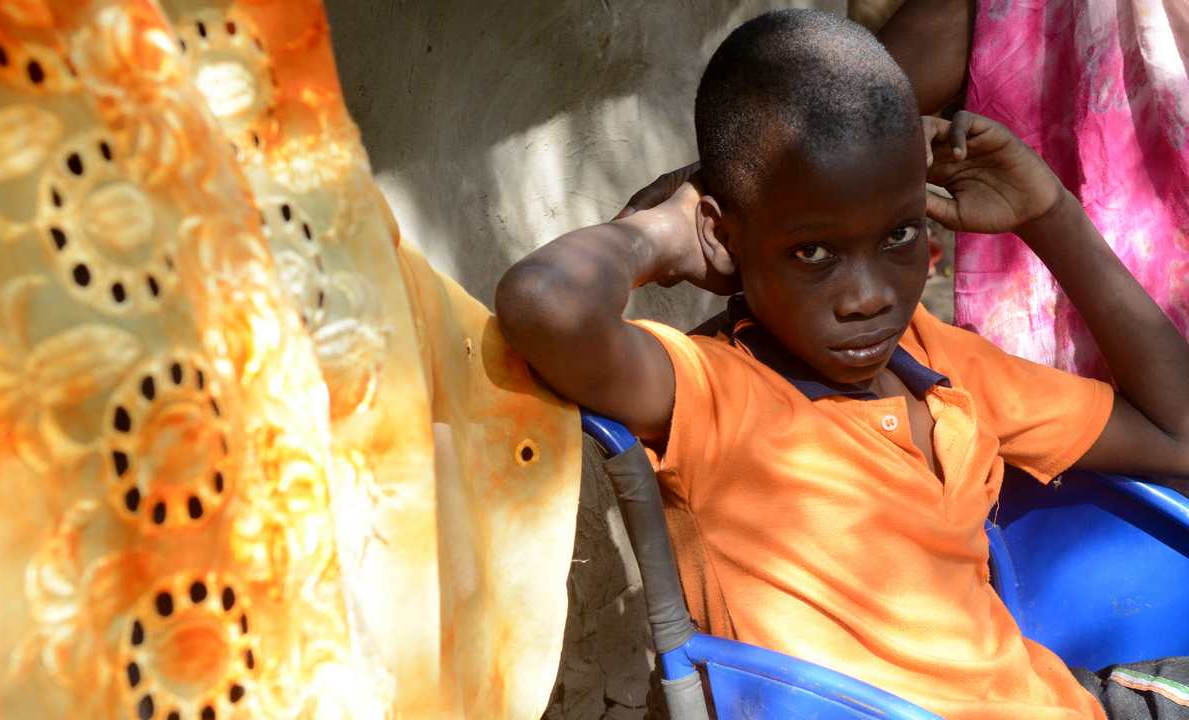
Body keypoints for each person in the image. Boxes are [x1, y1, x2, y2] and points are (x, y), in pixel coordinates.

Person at [496, 10, 1189, 720]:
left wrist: (1048, 212)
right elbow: (544, 304)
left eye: (897, 235)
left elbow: (1178, 435)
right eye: (812, 253)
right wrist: (664, 232)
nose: (868, 298)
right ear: (724, 237)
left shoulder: (938, 360)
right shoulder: (716, 396)